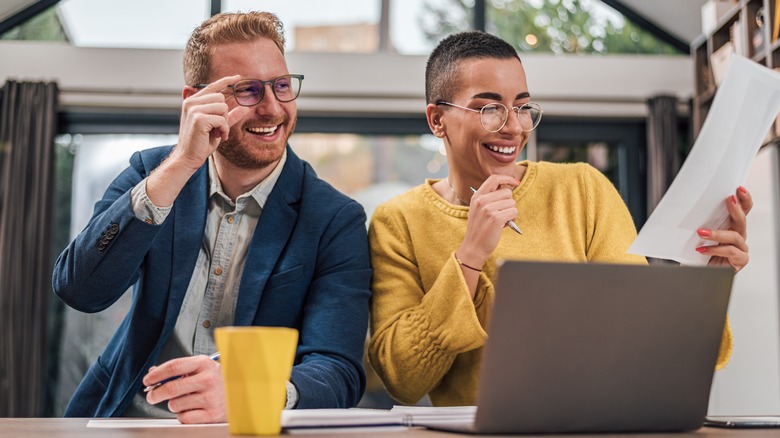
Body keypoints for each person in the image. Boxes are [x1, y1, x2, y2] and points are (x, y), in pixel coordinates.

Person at [367, 31, 752, 407]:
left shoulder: (581, 189)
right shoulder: (397, 221)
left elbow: (641, 339)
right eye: (489, 108)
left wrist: (707, 282)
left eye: (521, 106)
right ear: (437, 120)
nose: (515, 127)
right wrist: (469, 256)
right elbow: (402, 379)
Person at [52, 11, 372, 423]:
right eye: (248, 91)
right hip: (126, 421)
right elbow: (80, 290)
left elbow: (338, 370)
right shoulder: (152, 173)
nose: (273, 108)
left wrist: (250, 394)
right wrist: (182, 163)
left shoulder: (335, 219)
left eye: (280, 86)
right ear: (195, 100)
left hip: (248, 426)